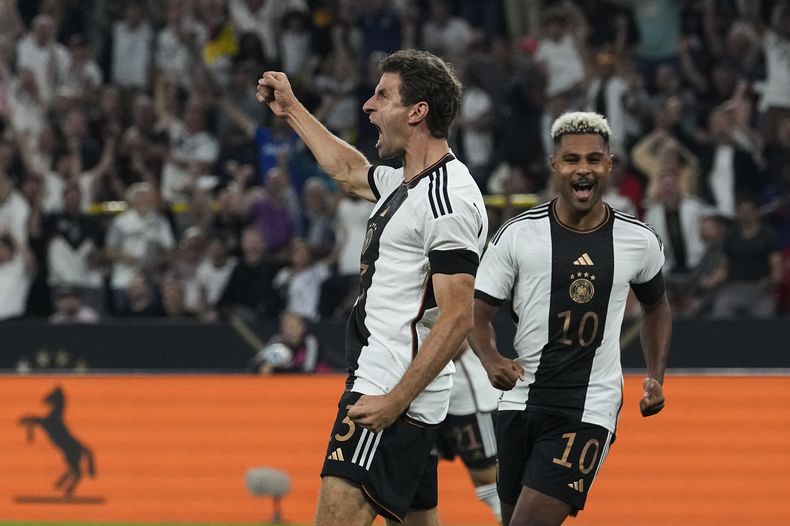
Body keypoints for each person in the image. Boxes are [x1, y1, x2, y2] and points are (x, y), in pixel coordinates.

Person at [256, 49, 487, 525]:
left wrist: (394, 400)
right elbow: (346, 170)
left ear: (417, 111)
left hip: (386, 390)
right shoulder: (409, 184)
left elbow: (458, 316)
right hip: (399, 394)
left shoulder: (447, 200)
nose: (368, 105)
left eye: (383, 95)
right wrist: (293, 109)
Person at [469, 112, 672, 526]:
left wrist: (655, 375)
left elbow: (657, 307)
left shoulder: (638, 240)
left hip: (587, 408)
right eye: (572, 159)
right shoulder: (517, 234)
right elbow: (476, 314)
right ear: (554, 165)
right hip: (519, 399)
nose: (583, 169)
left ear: (610, 165)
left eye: (594, 160)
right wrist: (491, 360)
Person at [436, 342, 500, 524]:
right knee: (413, 474)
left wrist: (416, 371)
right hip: (426, 399)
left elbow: (459, 339)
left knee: (489, 482)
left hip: (468, 399)